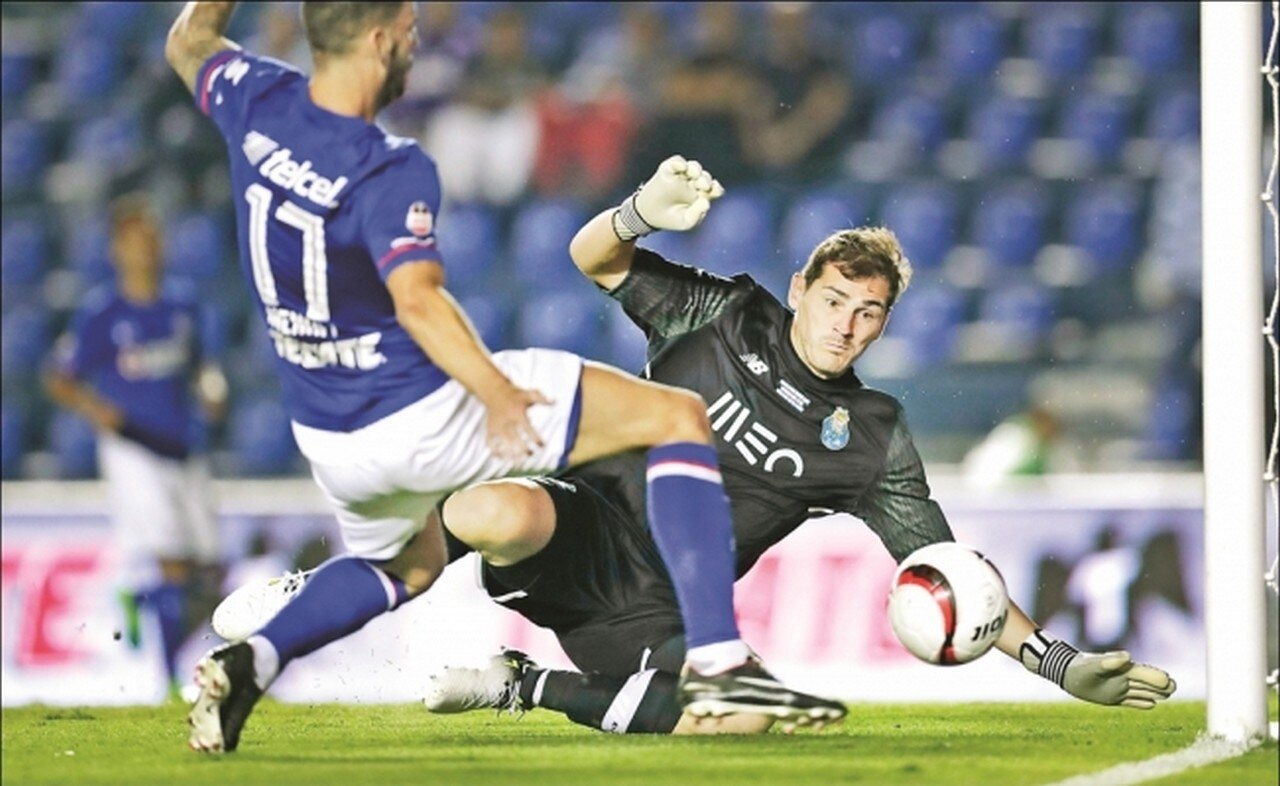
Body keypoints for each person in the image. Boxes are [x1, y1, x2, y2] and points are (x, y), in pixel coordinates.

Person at [164, 1, 842, 754]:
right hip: (410, 411)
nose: (415, 53)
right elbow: (416, 299)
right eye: (412, 37)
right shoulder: (391, 166)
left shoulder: (255, 99)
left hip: (329, 434)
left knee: (407, 567)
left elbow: (190, 38)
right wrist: (493, 391)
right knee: (676, 418)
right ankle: (719, 661)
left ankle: (250, 661)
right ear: (380, 39)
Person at [413, 155, 1179, 734]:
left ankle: (518, 685)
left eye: (869, 312)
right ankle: (342, 583)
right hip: (583, 526)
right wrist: (639, 212)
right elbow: (593, 258)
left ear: (884, 325)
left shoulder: (871, 436)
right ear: (801, 289)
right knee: (493, 511)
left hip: (664, 611)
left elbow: (945, 567)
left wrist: (1060, 663)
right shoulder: (723, 315)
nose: (845, 324)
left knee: (741, 719)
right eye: (835, 299)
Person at [43, 192, 228, 700]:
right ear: (116, 250)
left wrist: (212, 390)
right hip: (133, 448)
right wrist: (97, 408)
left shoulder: (182, 305)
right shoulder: (104, 313)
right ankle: (169, 680)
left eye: (151, 238)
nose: (146, 249)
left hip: (182, 444)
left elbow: (200, 367)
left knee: (210, 571)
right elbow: (60, 377)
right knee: (171, 559)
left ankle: (138, 598)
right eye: (135, 240)